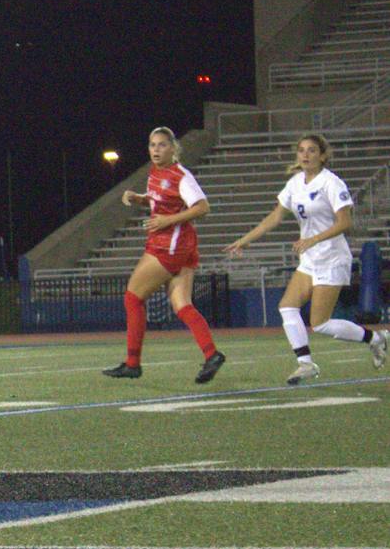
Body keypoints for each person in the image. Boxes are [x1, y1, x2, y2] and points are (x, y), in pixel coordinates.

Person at [224, 133, 388, 382]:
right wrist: (245, 240)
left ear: (322, 156)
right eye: (301, 150)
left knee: (319, 323)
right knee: (287, 307)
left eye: (312, 150)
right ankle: (306, 363)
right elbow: (275, 217)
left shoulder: (331, 183)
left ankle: (376, 338)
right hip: (310, 259)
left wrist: (313, 239)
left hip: (332, 257)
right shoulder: (295, 183)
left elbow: (345, 222)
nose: (305, 155)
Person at [102, 126, 226, 383]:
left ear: (173, 148)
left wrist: (168, 220)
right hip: (181, 245)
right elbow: (160, 199)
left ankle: (133, 363)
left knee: (133, 298)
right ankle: (212, 354)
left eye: (161, 145)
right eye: (152, 145)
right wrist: (140, 199)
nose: (156, 150)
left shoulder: (181, 175)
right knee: (182, 305)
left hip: (169, 245)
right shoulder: (155, 172)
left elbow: (202, 207)